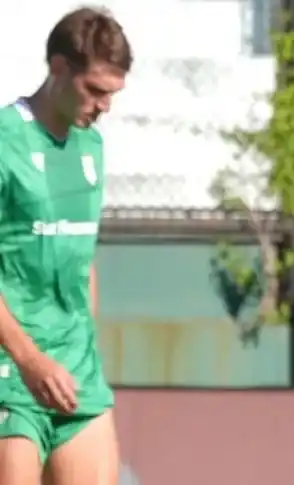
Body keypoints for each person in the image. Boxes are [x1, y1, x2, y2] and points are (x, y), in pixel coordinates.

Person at [0, 7, 131, 485]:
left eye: (112, 94)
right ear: (58, 68)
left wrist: (84, 351)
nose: (104, 106)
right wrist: (30, 360)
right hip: (10, 374)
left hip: (77, 373)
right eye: (95, 90)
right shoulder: (4, 140)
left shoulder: (90, 148)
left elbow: (83, 258)